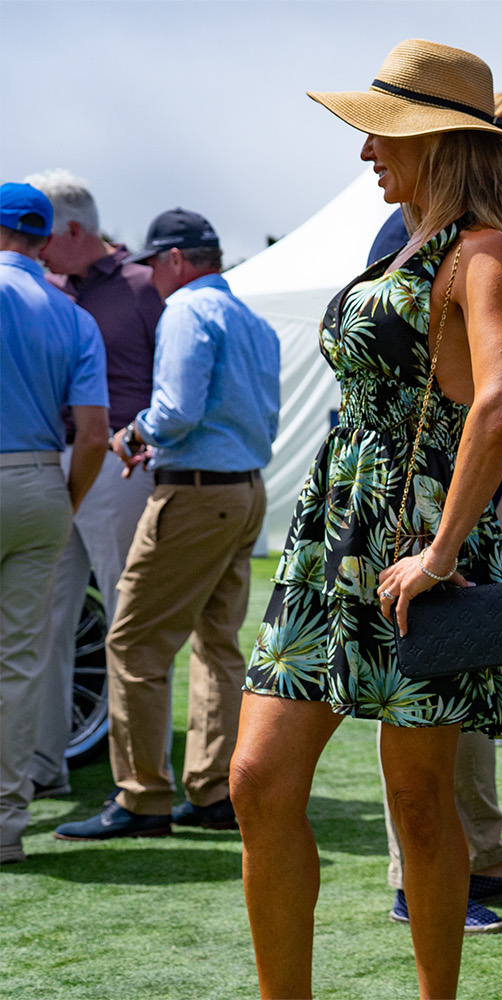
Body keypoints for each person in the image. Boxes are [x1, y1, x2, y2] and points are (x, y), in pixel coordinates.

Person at [230, 39, 502, 999]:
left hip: (421, 547)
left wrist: (445, 551)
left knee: (416, 796)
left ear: (440, 142)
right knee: (257, 779)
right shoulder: (402, 240)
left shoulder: (483, 250)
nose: (367, 152)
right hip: (336, 535)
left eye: (382, 135)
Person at [369, 89, 502, 935]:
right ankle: (419, 877)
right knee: (429, 683)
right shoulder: (425, 231)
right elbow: (455, 382)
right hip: (448, 484)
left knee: (471, 676)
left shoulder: (490, 240)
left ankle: (481, 855)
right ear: (479, 151)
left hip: (498, 477)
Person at [53, 207, 280, 842]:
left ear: (176, 260)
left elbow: (176, 410)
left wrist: (135, 433)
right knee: (218, 644)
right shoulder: (250, 318)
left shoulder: (186, 309)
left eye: (154, 263)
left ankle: (142, 797)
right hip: (244, 490)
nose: (151, 275)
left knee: (132, 644)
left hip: (196, 492)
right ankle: (211, 791)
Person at [24, 169, 163, 798]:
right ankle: (43, 765)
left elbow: (173, 380)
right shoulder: (49, 287)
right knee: (49, 622)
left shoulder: (143, 285)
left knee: (125, 620)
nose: (36, 247)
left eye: (44, 235)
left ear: (75, 229)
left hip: (119, 470)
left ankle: (140, 780)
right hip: (59, 463)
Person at [0, 182, 110, 863]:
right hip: (40, 480)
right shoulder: (73, 316)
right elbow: (93, 434)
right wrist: (61, 502)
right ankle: (6, 825)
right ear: (46, 241)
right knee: (18, 664)